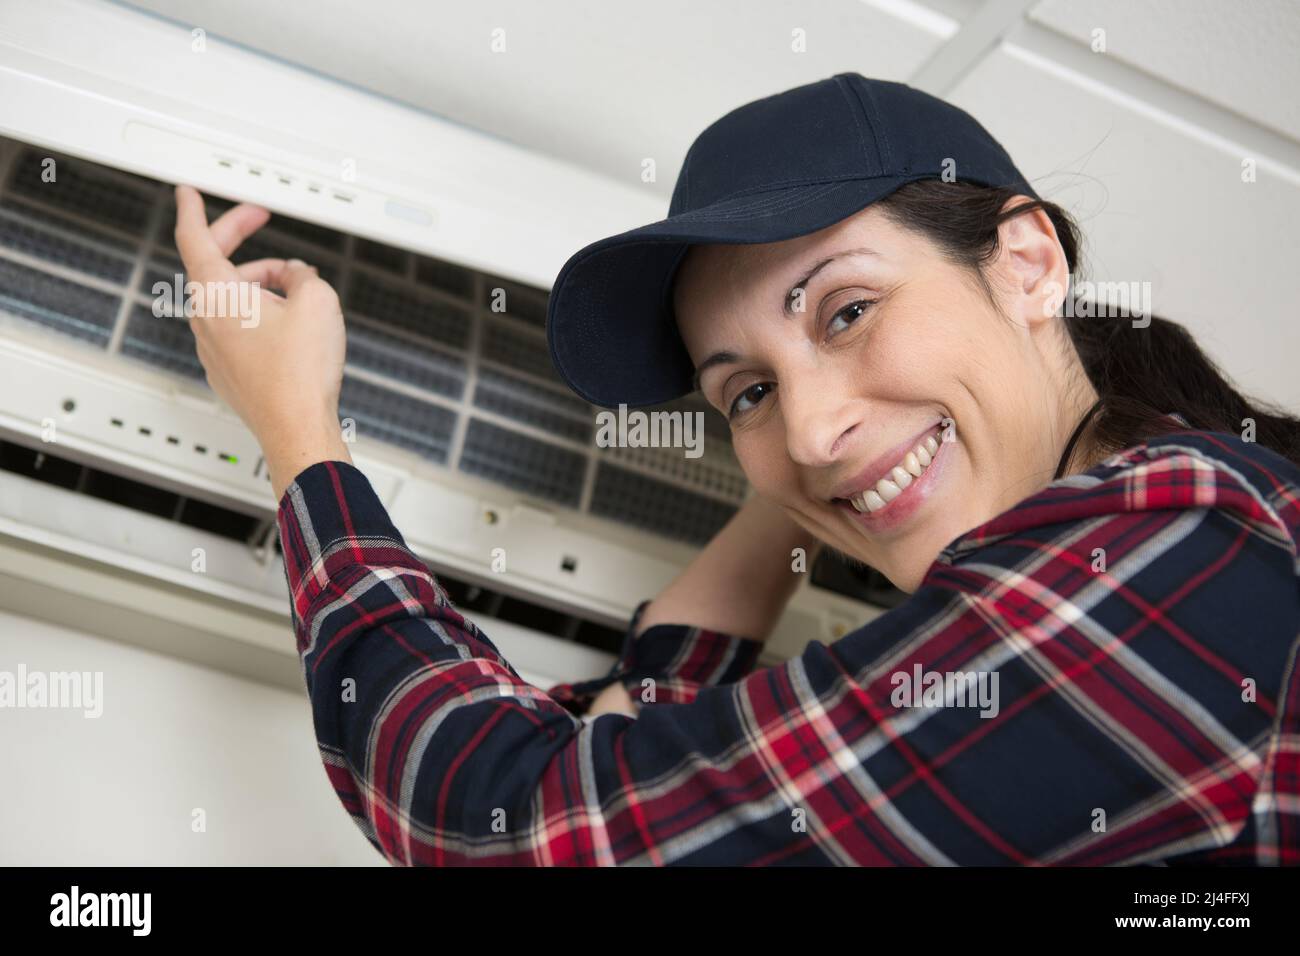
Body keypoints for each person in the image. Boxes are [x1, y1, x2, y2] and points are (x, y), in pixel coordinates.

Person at [174, 74, 1300, 866]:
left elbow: (510, 822)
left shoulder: (1177, 539)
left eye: (848, 309)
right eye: (744, 394)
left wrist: (298, 436)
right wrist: (824, 469)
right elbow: (638, 774)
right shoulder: (1137, 560)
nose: (805, 428)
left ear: (1026, 262)